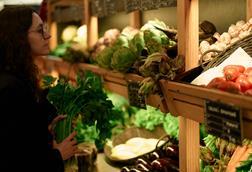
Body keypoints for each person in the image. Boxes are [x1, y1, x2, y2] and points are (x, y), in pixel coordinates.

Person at [0, 6, 79, 172]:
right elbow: (12, 159)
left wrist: (43, 124)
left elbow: (21, 136)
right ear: (19, 38)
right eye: (39, 30)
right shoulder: (9, 88)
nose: (48, 35)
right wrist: (58, 155)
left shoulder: (18, 75)